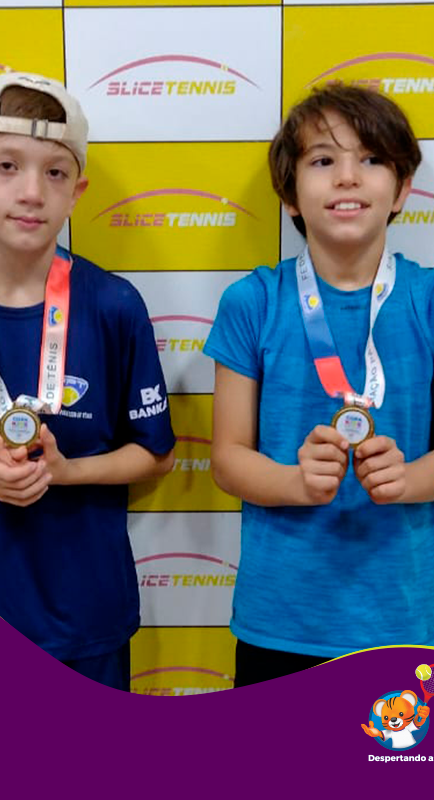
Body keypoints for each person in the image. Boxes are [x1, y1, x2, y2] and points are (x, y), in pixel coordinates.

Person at [0, 72, 175, 691]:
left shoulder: (114, 304)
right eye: (7, 166)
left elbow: (155, 454)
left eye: (56, 173)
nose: (32, 191)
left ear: (77, 192)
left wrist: (66, 472)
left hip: (83, 621)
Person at [204, 83, 434, 687]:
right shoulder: (253, 301)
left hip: (402, 620)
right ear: (290, 195)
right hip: (278, 621)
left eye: (372, 159)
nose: (348, 177)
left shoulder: (429, 300)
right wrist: (295, 483)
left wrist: (410, 480)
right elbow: (227, 457)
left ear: (402, 190)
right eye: (323, 160)